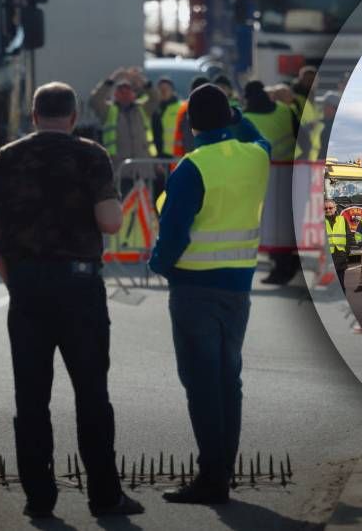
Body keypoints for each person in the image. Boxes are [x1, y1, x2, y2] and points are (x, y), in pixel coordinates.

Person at [0, 82, 143, 518]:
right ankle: (105, 496)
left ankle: (39, 497)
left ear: (33, 116)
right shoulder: (90, 155)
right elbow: (109, 223)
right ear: (72, 117)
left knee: (31, 398)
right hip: (80, 289)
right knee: (91, 393)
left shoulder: (6, 158)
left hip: (28, 288)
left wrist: (12, 278)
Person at [149, 83, 270, 505]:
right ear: (228, 118)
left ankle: (212, 478)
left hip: (193, 287)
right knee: (227, 381)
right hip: (238, 288)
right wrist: (239, 115)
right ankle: (222, 473)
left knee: (202, 385)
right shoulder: (256, 157)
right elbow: (259, 137)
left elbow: (173, 235)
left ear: (191, 125)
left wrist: (158, 265)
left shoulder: (191, 167)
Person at [243, 79, 302, 285]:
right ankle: (285, 262)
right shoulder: (284, 110)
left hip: (263, 175)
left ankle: (283, 265)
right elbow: (301, 135)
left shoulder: (246, 116)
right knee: (283, 221)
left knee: (269, 223)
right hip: (288, 172)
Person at [102, 78, 157, 194]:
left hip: (143, 169)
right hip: (122, 170)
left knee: (145, 208)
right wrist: (111, 80)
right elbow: (95, 100)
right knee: (125, 207)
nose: (125, 95)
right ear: (115, 94)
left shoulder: (142, 108)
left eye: (128, 91)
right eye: (121, 92)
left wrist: (143, 82)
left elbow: (155, 98)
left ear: (134, 94)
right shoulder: (108, 111)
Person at [151, 77, 183, 157]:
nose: (163, 91)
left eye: (166, 89)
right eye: (160, 89)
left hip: (178, 156)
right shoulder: (155, 110)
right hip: (160, 157)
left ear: (172, 91)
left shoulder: (182, 108)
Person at [325, 199, 349, 291]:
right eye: (325, 208)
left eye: (330, 208)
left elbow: (349, 236)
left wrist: (346, 253)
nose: (328, 210)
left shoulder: (342, 219)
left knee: (340, 284)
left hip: (340, 256)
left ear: (335, 208)